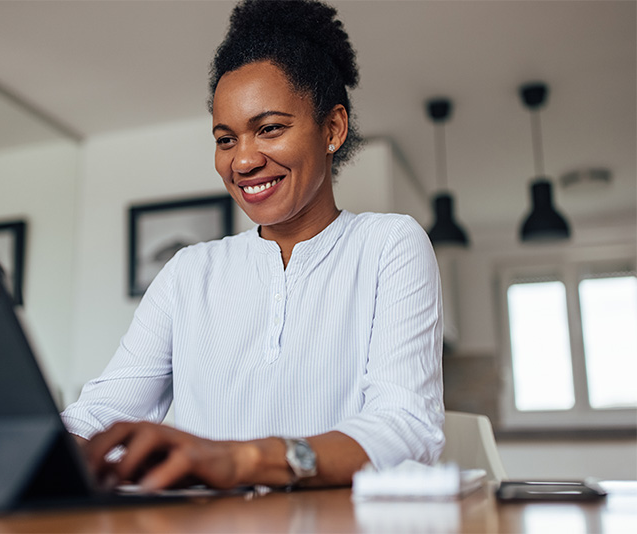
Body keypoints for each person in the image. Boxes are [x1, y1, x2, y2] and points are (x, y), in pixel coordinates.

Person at [61, 0, 444, 492]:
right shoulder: (188, 273)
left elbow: (406, 426)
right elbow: (100, 414)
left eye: (269, 129)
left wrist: (242, 460)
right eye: (225, 139)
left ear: (333, 129)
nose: (242, 161)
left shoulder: (389, 245)